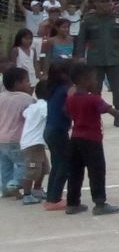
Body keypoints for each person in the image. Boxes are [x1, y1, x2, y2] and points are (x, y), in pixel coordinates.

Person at [63, 63, 119, 215]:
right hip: (92, 140)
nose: (96, 82)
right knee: (96, 171)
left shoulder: (70, 99)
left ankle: (72, 203)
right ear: (85, 79)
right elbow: (112, 111)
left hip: (75, 138)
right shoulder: (93, 99)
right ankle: (100, 203)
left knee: (75, 172)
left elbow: (66, 112)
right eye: (94, 79)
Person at [74, 0, 119, 126]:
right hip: (95, 61)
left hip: (114, 60)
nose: (105, 4)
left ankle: (118, 115)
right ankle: (95, 116)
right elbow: (81, 39)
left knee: (117, 90)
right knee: (95, 90)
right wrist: (79, 56)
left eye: (108, 1)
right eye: (102, 1)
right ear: (96, 3)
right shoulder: (89, 20)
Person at [40, 62, 71, 211]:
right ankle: (55, 199)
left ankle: (51, 197)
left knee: (57, 164)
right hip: (58, 131)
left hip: (50, 130)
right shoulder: (65, 90)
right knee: (64, 164)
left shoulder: (52, 89)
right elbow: (67, 109)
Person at [0, 68, 34, 198]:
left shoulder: (1, 96)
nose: (29, 84)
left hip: (1, 138)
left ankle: (5, 189)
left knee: (5, 165)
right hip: (17, 138)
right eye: (26, 81)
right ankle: (15, 184)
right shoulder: (26, 99)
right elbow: (31, 117)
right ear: (17, 84)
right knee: (23, 164)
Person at [19, 79, 50, 205]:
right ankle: (26, 194)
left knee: (43, 168)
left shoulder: (33, 106)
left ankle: (37, 189)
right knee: (32, 170)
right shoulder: (45, 106)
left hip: (37, 143)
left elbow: (24, 114)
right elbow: (48, 116)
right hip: (33, 143)